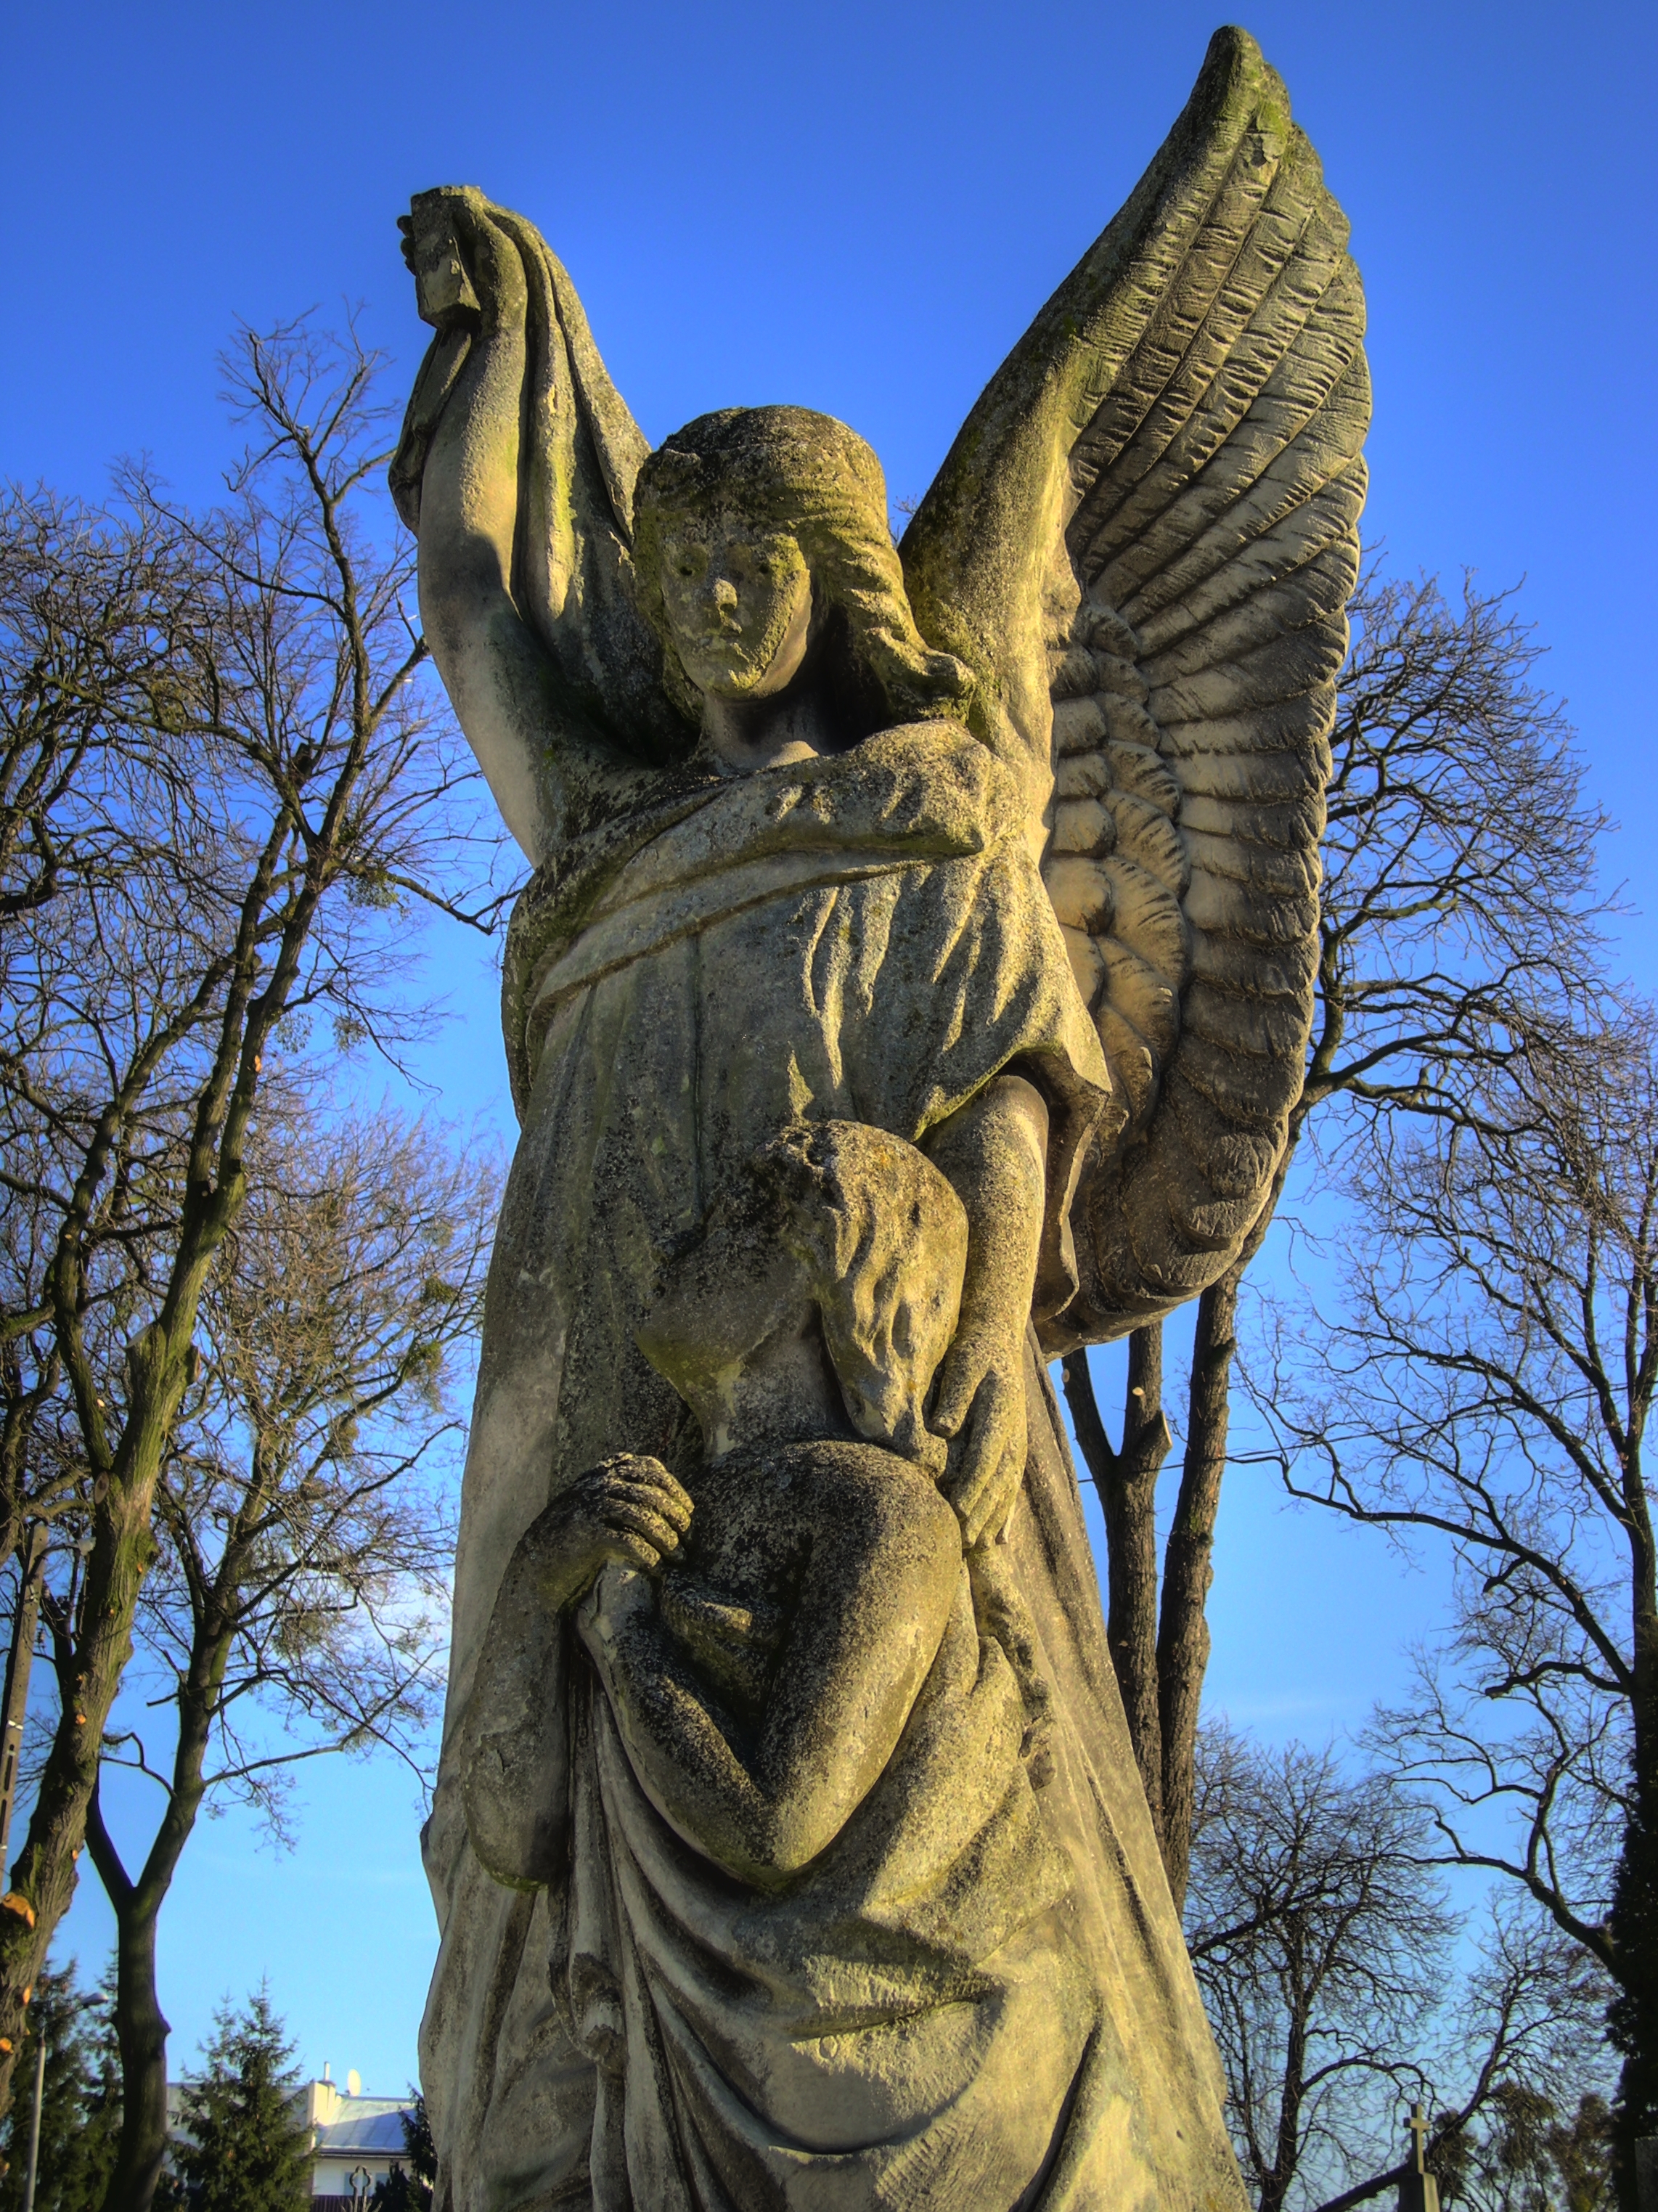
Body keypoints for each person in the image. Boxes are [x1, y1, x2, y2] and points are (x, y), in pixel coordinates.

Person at [399, 187, 1244, 2212]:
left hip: (843, 1359)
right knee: (537, 1768)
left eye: (748, 566)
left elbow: (1009, 1089)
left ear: (835, 584)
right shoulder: (605, 841)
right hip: (591, 1343)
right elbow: (472, 619)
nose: (702, 603)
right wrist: (494, 345)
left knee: (880, 1789)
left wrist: (964, 1332)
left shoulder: (938, 818)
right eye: (675, 568)